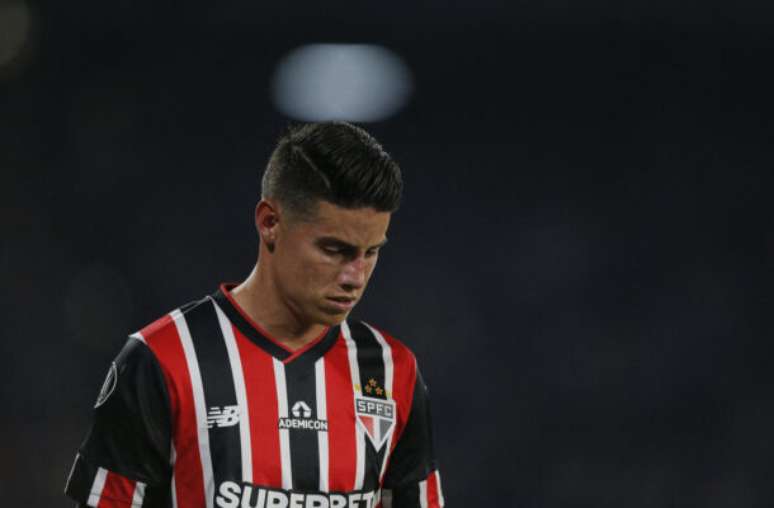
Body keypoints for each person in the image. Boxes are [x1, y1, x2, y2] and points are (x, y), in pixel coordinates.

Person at [64, 122, 445, 508]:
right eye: (335, 250)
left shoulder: (393, 370)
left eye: (371, 252)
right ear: (270, 223)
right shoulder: (161, 359)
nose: (355, 277)